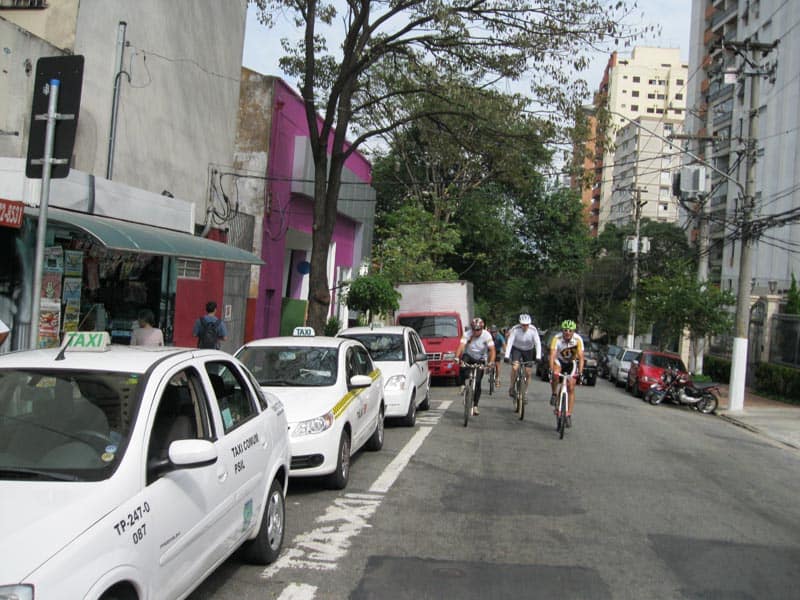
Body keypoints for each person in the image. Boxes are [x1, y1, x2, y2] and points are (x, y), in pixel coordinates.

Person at [455, 317, 495, 416]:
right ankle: (462, 385)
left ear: (482, 328)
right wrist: (456, 357)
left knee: (477, 383)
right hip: (469, 355)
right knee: (462, 363)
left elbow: (492, 350)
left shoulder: (487, 335)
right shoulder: (467, 334)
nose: (476, 332)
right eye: (474, 329)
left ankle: (475, 406)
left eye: (478, 330)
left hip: (481, 358)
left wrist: (490, 362)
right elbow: (461, 346)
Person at [549, 319, 585, 428]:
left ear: (573, 331)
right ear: (562, 331)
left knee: (571, 387)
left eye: (570, 331)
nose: (567, 333)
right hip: (559, 361)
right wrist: (551, 369)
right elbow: (552, 355)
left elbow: (581, 357)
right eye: (565, 330)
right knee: (555, 374)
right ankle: (554, 394)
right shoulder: (557, 338)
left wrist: (581, 372)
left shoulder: (578, 339)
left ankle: (568, 414)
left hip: (571, 363)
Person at [504, 314, 542, 400]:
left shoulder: (533, 330)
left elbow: (537, 343)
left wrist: (538, 356)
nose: (525, 327)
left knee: (528, 372)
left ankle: (525, 391)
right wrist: (506, 356)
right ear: (520, 324)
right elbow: (510, 342)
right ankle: (512, 387)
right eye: (523, 325)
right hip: (517, 349)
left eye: (527, 325)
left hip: (528, 350)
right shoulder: (515, 329)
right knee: (515, 367)